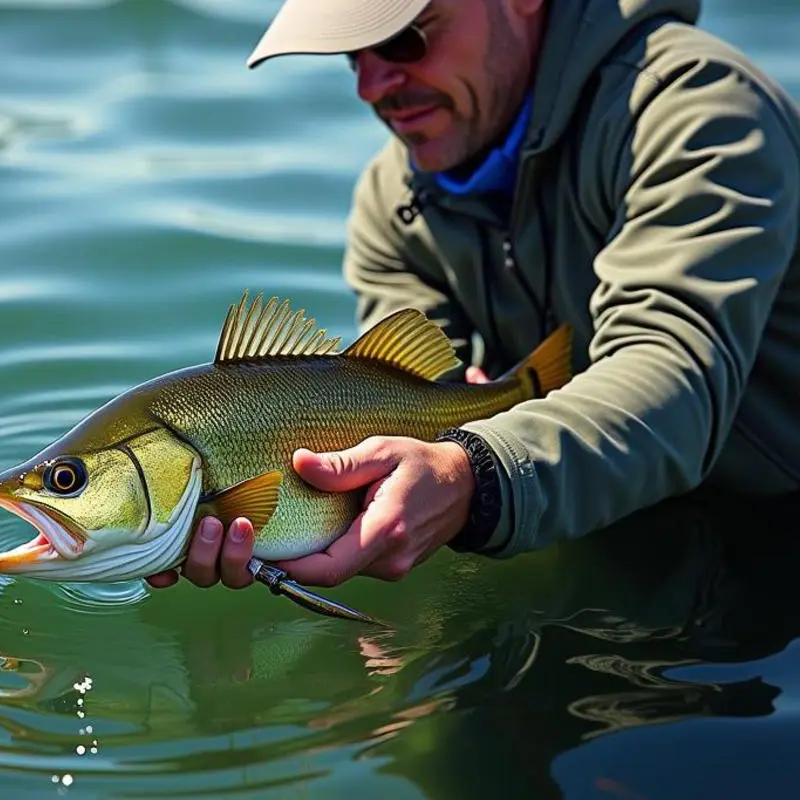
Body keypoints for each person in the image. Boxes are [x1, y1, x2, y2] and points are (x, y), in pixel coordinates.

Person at [147, 0, 800, 593]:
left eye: (404, 39)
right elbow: (409, 408)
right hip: (588, 545)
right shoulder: (394, 200)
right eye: (351, 53)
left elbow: (675, 383)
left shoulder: (698, 114)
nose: (370, 86)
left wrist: (473, 476)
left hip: (769, 548)